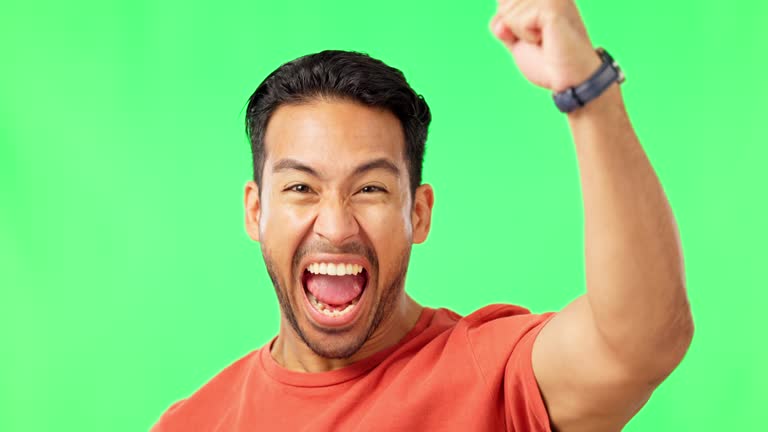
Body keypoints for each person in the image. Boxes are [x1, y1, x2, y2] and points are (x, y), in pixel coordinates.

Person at [152, 1, 694, 430]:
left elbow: (641, 342)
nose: (336, 227)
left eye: (369, 188)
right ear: (255, 211)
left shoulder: (490, 376)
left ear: (419, 211)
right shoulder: (192, 423)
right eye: (301, 187)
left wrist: (589, 94)